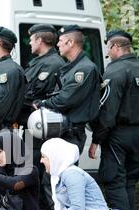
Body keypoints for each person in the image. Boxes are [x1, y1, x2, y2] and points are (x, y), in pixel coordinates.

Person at [88, 30, 139, 210]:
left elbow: (107, 110)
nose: (108, 52)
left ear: (116, 47)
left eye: (109, 47)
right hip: (136, 133)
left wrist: (97, 138)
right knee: (129, 183)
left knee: (114, 181)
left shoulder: (116, 71)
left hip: (117, 134)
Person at [21, 24, 65, 210]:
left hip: (42, 131)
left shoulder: (53, 63)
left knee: (41, 179)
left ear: (40, 40)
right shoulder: (38, 62)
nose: (30, 43)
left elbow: (32, 94)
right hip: (31, 128)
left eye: (32, 39)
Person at [35, 25, 100, 154]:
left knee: (62, 173)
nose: (57, 44)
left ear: (70, 43)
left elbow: (66, 99)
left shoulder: (83, 69)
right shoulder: (71, 67)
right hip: (62, 130)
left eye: (60, 41)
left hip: (71, 134)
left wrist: (43, 104)